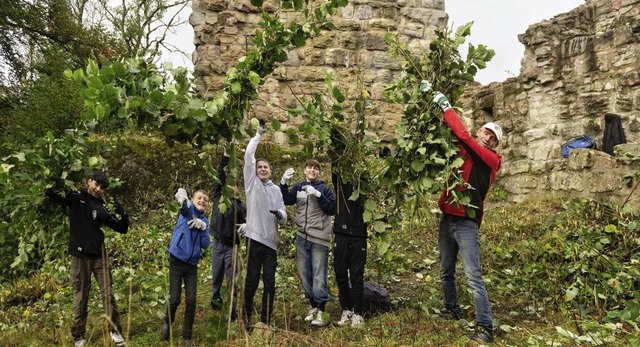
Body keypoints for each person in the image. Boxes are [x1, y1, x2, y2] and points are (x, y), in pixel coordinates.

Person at [421, 80, 503, 343]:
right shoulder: (463, 152)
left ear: (496, 145)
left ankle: (485, 326)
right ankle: (452, 310)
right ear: (481, 131)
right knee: (445, 269)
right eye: (486, 133)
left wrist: (444, 104)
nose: (488, 138)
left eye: (494, 138)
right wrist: (431, 106)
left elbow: (463, 136)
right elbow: (451, 138)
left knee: (473, 275)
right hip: (448, 218)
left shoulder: (491, 160)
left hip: (467, 222)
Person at [45, 170, 129, 347]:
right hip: (79, 255)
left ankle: (115, 331)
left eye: (102, 187)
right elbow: (57, 196)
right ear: (88, 181)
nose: (99, 189)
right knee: (81, 296)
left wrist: (124, 215)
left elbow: (120, 228)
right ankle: (79, 337)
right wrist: (49, 187)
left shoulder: (102, 206)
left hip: (100, 255)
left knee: (108, 294)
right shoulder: (75, 196)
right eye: (96, 184)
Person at [279, 159, 336, 327]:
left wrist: (318, 195)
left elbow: (332, 209)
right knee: (304, 274)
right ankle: (313, 306)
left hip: (319, 238)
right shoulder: (298, 187)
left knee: (319, 275)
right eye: (310, 167)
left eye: (316, 168)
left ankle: (322, 311)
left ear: (319, 172)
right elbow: (287, 200)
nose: (312, 170)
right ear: (304, 170)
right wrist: (283, 183)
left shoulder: (324, 189)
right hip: (302, 237)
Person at [242, 121, 287, 330]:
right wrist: (258, 134)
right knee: (251, 281)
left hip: (271, 244)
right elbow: (248, 157)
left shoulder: (277, 190)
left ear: (271, 171)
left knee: (270, 283)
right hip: (254, 238)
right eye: (259, 167)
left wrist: (281, 215)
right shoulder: (252, 185)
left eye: (265, 167)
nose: (262, 170)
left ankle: (266, 321)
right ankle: (246, 317)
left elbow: (284, 213)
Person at [160, 188, 211, 347]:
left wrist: (203, 227)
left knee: (192, 300)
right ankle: (168, 321)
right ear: (193, 200)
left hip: (192, 265)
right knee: (175, 299)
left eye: (205, 199)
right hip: (177, 260)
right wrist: (182, 197)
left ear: (208, 205)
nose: (202, 200)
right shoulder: (189, 211)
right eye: (199, 198)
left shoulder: (205, 220)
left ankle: (187, 337)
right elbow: (184, 206)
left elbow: (206, 244)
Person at [329, 130, 368, 328]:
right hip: (341, 232)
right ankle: (347, 309)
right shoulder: (341, 182)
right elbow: (335, 164)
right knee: (340, 272)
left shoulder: (365, 181)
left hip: (359, 234)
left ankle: (358, 314)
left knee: (357, 275)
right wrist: (336, 138)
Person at [209, 151, 247, 322]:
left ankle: (232, 310)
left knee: (232, 278)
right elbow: (218, 175)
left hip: (232, 247)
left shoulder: (241, 206)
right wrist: (225, 159)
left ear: (238, 188)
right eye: (229, 185)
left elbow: (247, 223)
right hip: (217, 244)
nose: (232, 188)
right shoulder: (219, 196)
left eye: (235, 186)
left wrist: (247, 227)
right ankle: (216, 300)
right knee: (216, 275)